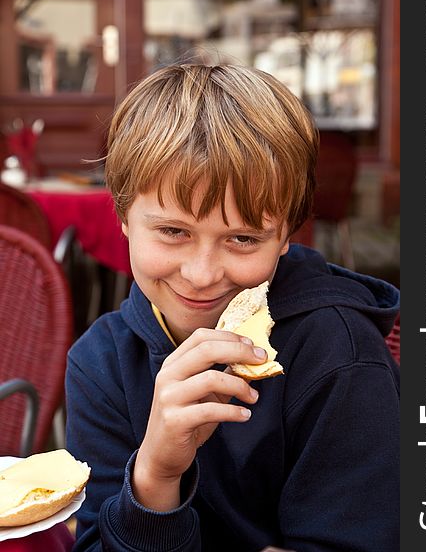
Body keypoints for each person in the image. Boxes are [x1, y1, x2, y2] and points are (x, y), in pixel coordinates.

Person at [65, 63, 399, 552]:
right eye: (173, 232)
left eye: (243, 239)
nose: (201, 274)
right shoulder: (101, 365)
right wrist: (155, 475)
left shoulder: (339, 355)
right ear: (122, 217)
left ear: (286, 235)